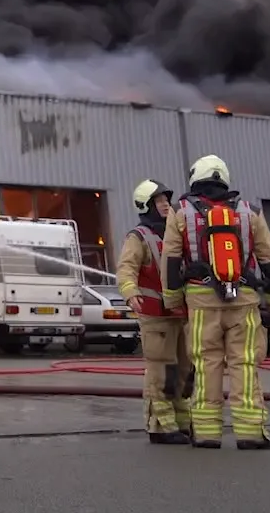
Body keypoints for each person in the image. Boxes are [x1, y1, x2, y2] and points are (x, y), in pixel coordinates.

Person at [162, 154, 270, 450]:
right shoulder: (250, 212)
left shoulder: (181, 212)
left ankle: (207, 433)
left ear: (195, 178)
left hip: (201, 302)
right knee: (244, 364)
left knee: (206, 364)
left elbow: (170, 260)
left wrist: (172, 299)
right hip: (243, 301)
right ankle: (251, 433)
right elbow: (269, 259)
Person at [116, 179, 193, 444]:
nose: (164, 204)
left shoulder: (176, 234)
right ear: (146, 204)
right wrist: (130, 292)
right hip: (155, 315)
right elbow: (126, 268)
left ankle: (182, 421)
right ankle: (160, 426)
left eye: (165, 200)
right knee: (162, 370)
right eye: (158, 200)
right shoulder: (138, 236)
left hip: (180, 314)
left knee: (184, 369)